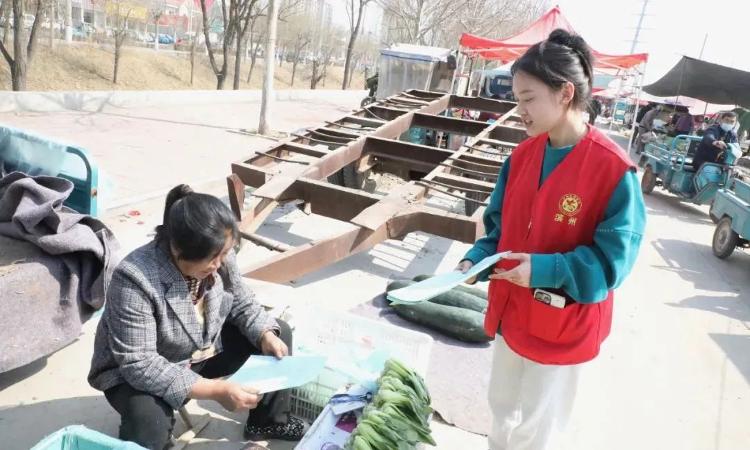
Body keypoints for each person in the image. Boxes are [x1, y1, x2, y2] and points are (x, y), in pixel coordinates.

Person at [456, 29, 646, 450]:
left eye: (528, 99)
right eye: (516, 99)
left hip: (561, 324)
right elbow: (499, 228)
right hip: (511, 314)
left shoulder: (613, 171)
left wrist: (546, 269)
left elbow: (611, 264)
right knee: (501, 410)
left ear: (565, 93)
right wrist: (476, 259)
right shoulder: (522, 156)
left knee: (537, 430)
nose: (519, 110)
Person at [88, 185, 305, 450]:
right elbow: (140, 364)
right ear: (177, 249)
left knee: (278, 334)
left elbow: (241, 300)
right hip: (135, 371)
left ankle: (267, 422)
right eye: (212, 259)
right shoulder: (134, 278)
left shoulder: (219, 254)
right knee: (147, 420)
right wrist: (215, 390)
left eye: (224, 254)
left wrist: (265, 334)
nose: (219, 264)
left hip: (199, 351)